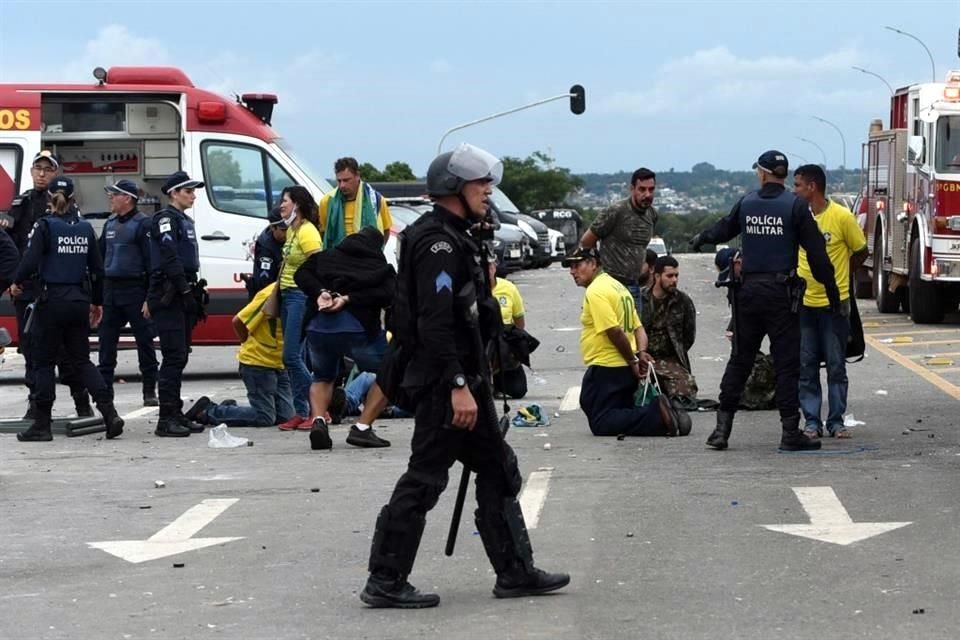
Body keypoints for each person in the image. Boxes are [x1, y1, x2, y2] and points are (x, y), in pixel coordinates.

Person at [360, 144, 569, 609]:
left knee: (499, 472)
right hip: (443, 384)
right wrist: (457, 387)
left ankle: (515, 573)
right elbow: (435, 324)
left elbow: (471, 313)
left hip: (466, 382)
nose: (488, 192)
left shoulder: (459, 235)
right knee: (425, 478)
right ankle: (385, 579)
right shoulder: (437, 243)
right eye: (480, 185)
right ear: (455, 188)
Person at [690, 150, 841, 451]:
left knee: (740, 361)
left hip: (747, 294)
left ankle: (721, 431)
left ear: (762, 173)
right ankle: (789, 433)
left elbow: (724, 228)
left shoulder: (747, 203)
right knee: (787, 365)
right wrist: (833, 293)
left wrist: (701, 238)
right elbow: (817, 255)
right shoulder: (796, 206)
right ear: (783, 175)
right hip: (781, 296)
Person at [11, 177, 124, 441]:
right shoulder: (85, 229)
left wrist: (16, 282)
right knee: (82, 361)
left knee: (43, 362)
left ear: (49, 199)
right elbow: (98, 270)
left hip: (51, 302)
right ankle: (109, 414)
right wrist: (96, 302)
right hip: (78, 301)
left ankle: (41, 425)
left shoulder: (45, 226)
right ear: (74, 199)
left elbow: (29, 261)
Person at [4, 150, 92, 419]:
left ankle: (81, 402)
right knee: (32, 350)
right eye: (37, 168)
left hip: (55, 289)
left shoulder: (66, 207)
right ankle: (36, 406)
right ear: (31, 172)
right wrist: (13, 279)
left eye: (48, 169)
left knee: (67, 351)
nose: (41, 173)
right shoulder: (20, 204)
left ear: (56, 173)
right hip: (27, 288)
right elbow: (9, 246)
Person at [567, 247, 687, 437]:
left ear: (593, 264)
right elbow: (639, 329)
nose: (572, 271)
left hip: (608, 366)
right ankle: (664, 412)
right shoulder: (618, 287)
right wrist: (640, 353)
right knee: (594, 402)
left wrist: (633, 360)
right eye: (570, 267)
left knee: (601, 423)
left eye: (577, 265)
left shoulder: (597, 291)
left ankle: (657, 416)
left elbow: (614, 331)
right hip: (623, 368)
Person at [294, 226, 395, 449]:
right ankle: (363, 428)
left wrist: (321, 291)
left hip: (318, 328)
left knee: (322, 376)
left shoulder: (324, 257)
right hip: (357, 330)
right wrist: (350, 299)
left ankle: (319, 421)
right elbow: (389, 294)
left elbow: (300, 273)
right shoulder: (380, 268)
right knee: (390, 371)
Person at [793, 164, 867, 439]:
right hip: (805, 304)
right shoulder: (797, 216)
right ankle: (811, 422)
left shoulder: (841, 217)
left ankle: (836, 421)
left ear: (812, 187)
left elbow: (861, 250)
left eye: (798, 185)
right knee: (806, 365)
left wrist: (843, 273)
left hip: (835, 305)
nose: (795, 190)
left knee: (836, 365)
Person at [148, 171, 208, 438]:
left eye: (193, 191)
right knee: (173, 356)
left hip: (183, 288)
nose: (193, 195)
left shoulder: (184, 220)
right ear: (173, 193)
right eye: (188, 191)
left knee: (181, 355)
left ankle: (175, 412)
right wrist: (183, 290)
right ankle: (165, 417)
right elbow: (169, 256)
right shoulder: (165, 219)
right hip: (169, 291)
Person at [184, 282, 294, 427]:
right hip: (258, 363)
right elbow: (238, 321)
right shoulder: (270, 295)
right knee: (265, 418)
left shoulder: (301, 294)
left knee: (286, 416)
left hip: (279, 364)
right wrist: (247, 343)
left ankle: (231, 409)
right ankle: (211, 411)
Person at [97, 179, 159, 406]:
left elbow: (153, 264)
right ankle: (104, 393)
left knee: (144, 341)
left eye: (115, 194)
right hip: (111, 290)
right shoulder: (110, 224)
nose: (111, 198)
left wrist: (149, 298)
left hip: (135, 289)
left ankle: (149, 390)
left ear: (128, 198)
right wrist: (96, 299)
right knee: (106, 342)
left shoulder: (144, 225)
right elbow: (98, 259)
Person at [578, 167, 658, 311]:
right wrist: (596, 277)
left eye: (651, 190)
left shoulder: (651, 215)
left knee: (634, 332)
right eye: (642, 189)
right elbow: (586, 241)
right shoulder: (616, 211)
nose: (647, 194)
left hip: (634, 286)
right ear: (632, 189)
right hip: (610, 286)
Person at [715, 248, 776, 411]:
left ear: (738, 262)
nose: (730, 278)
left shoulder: (764, 274)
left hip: (775, 319)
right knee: (731, 388)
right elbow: (738, 313)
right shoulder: (736, 283)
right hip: (751, 334)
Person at [639, 255, 698, 410]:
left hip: (669, 360)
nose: (674, 280)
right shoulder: (639, 299)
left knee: (686, 391)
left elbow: (688, 336)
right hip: (642, 358)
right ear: (657, 276)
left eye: (676, 276)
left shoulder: (683, 302)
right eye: (669, 276)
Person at [318, 157, 392, 249]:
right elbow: (324, 232)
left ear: (357, 176)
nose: (342, 185)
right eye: (339, 181)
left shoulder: (376, 200)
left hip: (367, 258)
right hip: (338, 258)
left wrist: (376, 252)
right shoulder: (327, 201)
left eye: (346, 180)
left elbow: (386, 231)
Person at [489, 256, 528, 399]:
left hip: (504, 345)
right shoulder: (471, 289)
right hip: (481, 342)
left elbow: (519, 320)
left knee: (518, 390)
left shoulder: (508, 288)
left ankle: (500, 377)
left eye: (490, 266)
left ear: (494, 268)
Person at [244, 206, 287, 300]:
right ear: (273, 228)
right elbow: (264, 282)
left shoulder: (286, 238)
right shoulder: (266, 247)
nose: (287, 233)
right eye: (283, 230)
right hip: (267, 295)